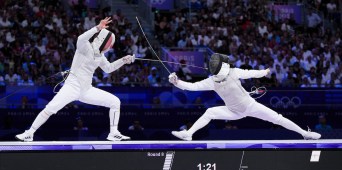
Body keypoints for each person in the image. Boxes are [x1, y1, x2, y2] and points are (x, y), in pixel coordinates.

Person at [16, 17, 134, 141]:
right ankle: (29, 133)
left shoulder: (100, 56)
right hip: (72, 86)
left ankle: (113, 132)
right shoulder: (85, 47)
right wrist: (98, 28)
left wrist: (123, 61)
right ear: (104, 41)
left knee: (115, 102)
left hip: (86, 90)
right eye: (110, 44)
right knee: (50, 108)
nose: (110, 47)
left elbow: (109, 68)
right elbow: (80, 38)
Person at [169, 53, 321, 141]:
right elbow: (192, 87)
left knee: (278, 118)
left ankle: (305, 134)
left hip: (250, 106)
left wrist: (264, 72)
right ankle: (189, 134)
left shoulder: (234, 72)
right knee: (209, 113)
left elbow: (251, 73)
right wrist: (177, 82)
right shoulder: (212, 81)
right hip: (232, 111)